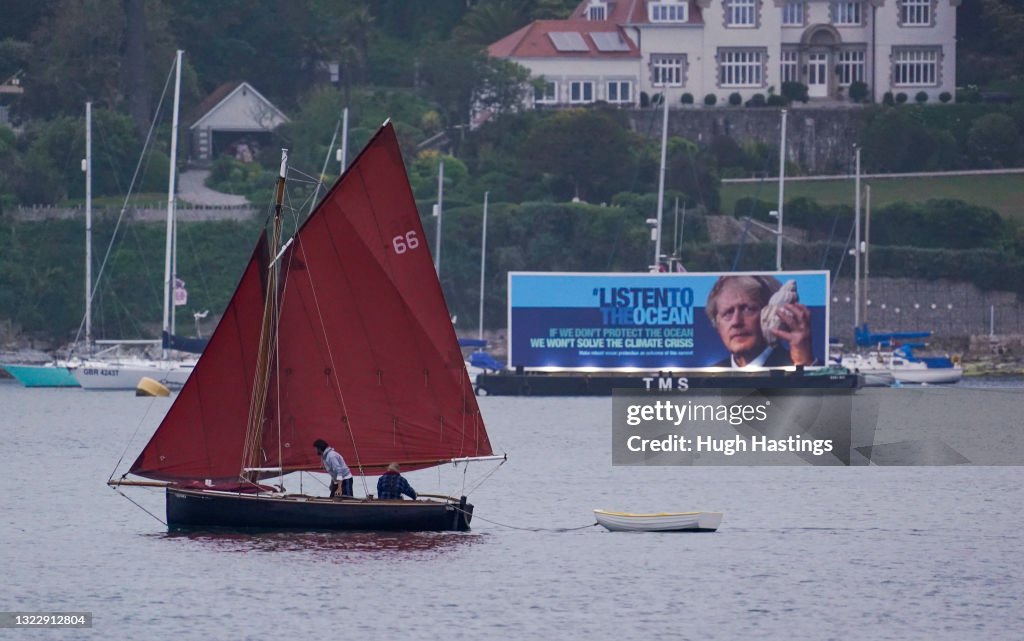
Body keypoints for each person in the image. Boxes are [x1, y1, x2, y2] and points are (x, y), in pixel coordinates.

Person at [704, 275, 814, 368]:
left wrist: (805, 365)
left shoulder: (802, 365)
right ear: (717, 324)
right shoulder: (707, 378)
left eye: (748, 309)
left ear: (773, 315)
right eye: (728, 313)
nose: (736, 322)